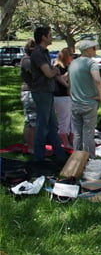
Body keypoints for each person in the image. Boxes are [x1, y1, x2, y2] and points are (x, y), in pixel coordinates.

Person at [29, 26, 67, 162]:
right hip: (42, 91)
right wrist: (55, 71)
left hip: (48, 91)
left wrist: (54, 71)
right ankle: (39, 157)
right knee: (42, 125)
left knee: (52, 124)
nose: (52, 37)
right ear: (44, 37)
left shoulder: (45, 52)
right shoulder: (38, 53)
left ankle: (60, 153)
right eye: (50, 35)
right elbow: (48, 73)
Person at [68, 39, 101, 159]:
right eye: (93, 48)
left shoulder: (73, 63)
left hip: (75, 103)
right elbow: (97, 80)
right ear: (87, 50)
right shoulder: (91, 63)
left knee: (77, 133)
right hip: (89, 103)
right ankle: (90, 159)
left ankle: (76, 159)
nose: (95, 50)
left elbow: (68, 81)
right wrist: (100, 96)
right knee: (88, 133)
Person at [53, 48, 74, 149]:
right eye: (71, 55)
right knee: (64, 120)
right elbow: (60, 79)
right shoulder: (57, 67)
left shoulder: (68, 66)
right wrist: (68, 74)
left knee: (71, 119)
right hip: (60, 96)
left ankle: (71, 140)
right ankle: (65, 143)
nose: (72, 57)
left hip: (68, 96)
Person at [20, 39, 36, 154]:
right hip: (29, 92)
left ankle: (29, 144)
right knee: (31, 122)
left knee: (30, 121)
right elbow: (37, 75)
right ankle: (31, 147)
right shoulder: (27, 60)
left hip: (32, 92)